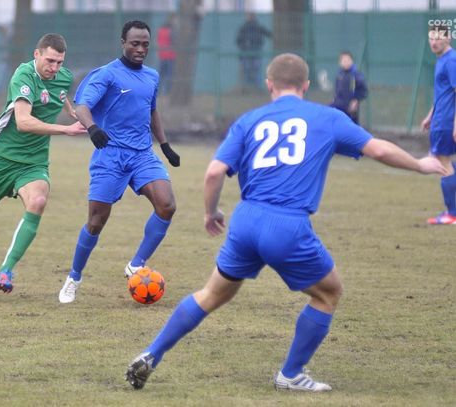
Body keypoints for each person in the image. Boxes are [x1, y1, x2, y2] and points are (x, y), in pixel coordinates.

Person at [125, 53, 447, 392]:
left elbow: (214, 172)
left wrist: (211, 212)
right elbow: (378, 150)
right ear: (306, 86)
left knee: (211, 294)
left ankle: (151, 352)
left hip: (246, 221)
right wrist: (420, 164)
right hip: (287, 226)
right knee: (328, 293)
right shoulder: (327, 117)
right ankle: (291, 374)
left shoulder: (249, 120)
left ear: (269, 85)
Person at [58, 20, 181, 304]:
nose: (141, 49)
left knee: (167, 205)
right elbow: (83, 106)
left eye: (145, 45)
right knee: (96, 222)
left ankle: (136, 264)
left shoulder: (152, 76)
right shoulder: (107, 75)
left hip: (142, 154)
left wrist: (165, 145)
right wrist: (92, 128)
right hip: (110, 155)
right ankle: (73, 278)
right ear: (123, 43)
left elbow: (152, 111)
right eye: (135, 44)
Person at [0, 33, 86, 293]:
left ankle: (5, 271)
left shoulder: (64, 77)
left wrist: (72, 111)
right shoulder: (23, 76)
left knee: (38, 201)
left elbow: (60, 94)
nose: (54, 68)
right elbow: (23, 122)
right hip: (3, 161)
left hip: (34, 163)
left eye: (59, 62)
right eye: (50, 61)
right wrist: (66, 129)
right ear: (37, 54)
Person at [421, 25, 456, 224]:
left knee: (442, 163)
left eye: (438, 38)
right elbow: (443, 94)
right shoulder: (442, 59)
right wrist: (430, 116)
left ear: (448, 38)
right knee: (443, 161)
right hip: (441, 119)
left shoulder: (451, 61)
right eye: (431, 38)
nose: (434, 42)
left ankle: (452, 214)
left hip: (447, 122)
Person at [331, 51, 368, 124]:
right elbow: (337, 90)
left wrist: (356, 100)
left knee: (351, 125)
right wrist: (334, 99)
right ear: (340, 63)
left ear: (352, 61)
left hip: (350, 107)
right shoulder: (340, 75)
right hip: (339, 105)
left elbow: (363, 90)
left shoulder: (356, 75)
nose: (346, 62)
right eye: (344, 61)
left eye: (348, 60)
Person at [236, 12, 271, 89]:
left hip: (255, 53)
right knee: (247, 71)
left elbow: (269, 34)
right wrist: (245, 45)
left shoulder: (257, 27)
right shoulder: (244, 28)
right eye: (249, 16)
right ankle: (247, 88)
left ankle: (256, 89)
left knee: (255, 71)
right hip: (246, 54)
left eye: (252, 16)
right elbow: (238, 41)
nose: (251, 17)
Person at [157, 14, 177, 95]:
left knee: (161, 75)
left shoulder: (160, 30)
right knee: (169, 75)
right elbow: (174, 42)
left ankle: (159, 91)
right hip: (170, 56)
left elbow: (158, 41)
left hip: (162, 55)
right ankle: (167, 92)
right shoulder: (171, 31)